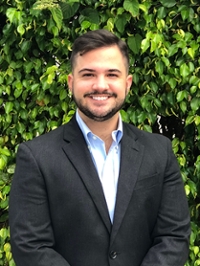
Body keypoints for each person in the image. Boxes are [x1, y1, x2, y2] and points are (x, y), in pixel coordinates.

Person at [9, 29, 190, 266]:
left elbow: (174, 236)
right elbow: (30, 247)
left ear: (127, 83)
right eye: (88, 74)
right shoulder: (36, 157)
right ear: (71, 83)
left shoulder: (159, 151)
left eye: (112, 74)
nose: (100, 85)